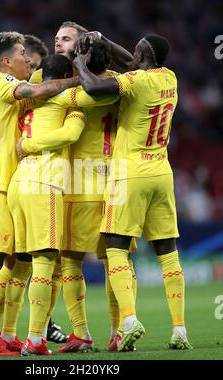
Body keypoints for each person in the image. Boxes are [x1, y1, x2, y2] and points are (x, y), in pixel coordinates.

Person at [74, 32, 193, 351]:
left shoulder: (136, 81)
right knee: (168, 252)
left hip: (130, 174)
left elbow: (94, 88)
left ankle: (129, 320)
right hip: (162, 173)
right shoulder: (169, 78)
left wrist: (79, 64)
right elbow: (132, 61)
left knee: (116, 247)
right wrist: (102, 38)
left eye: (137, 53)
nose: (132, 57)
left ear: (142, 57)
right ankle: (179, 329)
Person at [0, 31, 81, 357]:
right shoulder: (1, 83)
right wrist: (77, 82)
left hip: (10, 184)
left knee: (11, 262)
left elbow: (38, 92)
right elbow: (39, 87)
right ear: (6, 62)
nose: (28, 59)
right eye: (22, 53)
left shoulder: (5, 89)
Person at [29, 22, 138, 353]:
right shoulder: (118, 82)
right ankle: (121, 330)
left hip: (79, 180)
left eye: (65, 39)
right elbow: (133, 65)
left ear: (81, 47)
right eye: (56, 38)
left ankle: (83, 332)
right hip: (115, 178)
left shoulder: (69, 84)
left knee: (71, 259)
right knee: (115, 259)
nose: (57, 43)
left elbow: (33, 91)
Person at [7, 54, 86, 356]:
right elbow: (70, 134)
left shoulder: (27, 97)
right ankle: (36, 339)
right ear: (67, 74)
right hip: (44, 181)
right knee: (45, 260)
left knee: (20, 264)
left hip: (18, 182)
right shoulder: (69, 97)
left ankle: (8, 334)